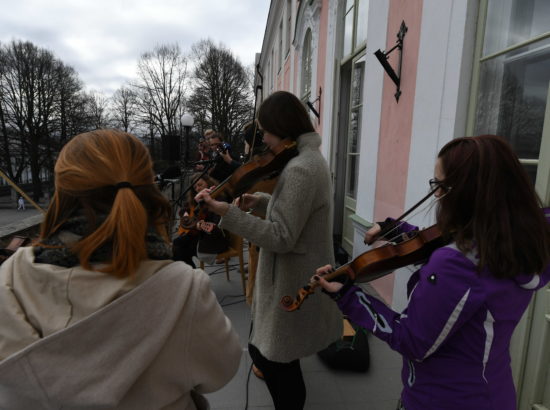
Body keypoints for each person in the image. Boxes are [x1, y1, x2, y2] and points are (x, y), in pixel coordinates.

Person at [0, 129, 241, 409]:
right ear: (146, 187)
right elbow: (222, 369)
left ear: (63, 190)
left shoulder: (11, 279)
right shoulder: (183, 289)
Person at [314, 135, 550, 410]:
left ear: (465, 192)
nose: (436, 194)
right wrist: (396, 229)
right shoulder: (518, 242)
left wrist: (349, 297)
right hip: (492, 391)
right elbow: (443, 239)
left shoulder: (457, 265)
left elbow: (412, 340)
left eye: (439, 185)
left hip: (443, 398)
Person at [196, 91, 342, 410]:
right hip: (288, 276)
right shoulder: (304, 161)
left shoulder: (302, 168)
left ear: (282, 126)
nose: (262, 137)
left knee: (277, 362)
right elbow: (292, 211)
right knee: (273, 357)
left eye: (265, 129)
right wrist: (260, 202)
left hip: (291, 280)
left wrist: (228, 213)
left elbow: (282, 236)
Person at [172, 173, 229, 268]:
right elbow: (184, 209)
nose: (197, 189)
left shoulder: (218, 199)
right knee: (177, 243)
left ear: (208, 183)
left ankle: (192, 275)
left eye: (200, 185)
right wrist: (185, 213)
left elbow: (215, 226)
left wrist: (196, 222)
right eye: (195, 187)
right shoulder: (198, 200)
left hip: (215, 240)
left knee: (180, 250)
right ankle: (192, 274)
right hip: (201, 235)